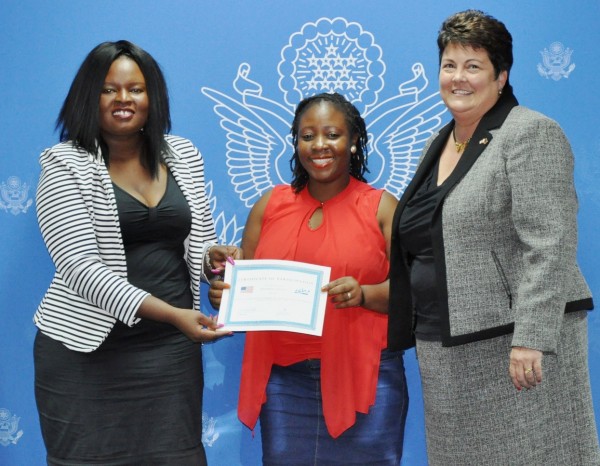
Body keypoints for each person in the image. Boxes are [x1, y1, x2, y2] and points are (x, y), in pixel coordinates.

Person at [388, 10, 599, 466]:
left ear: (501, 77)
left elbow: (550, 243)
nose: (458, 78)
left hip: (514, 350)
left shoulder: (530, 132)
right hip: (445, 349)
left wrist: (532, 338)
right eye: (449, 65)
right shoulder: (436, 142)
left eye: (473, 66)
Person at [33, 40, 240, 465]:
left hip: (170, 355)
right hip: (86, 354)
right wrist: (173, 314)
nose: (124, 99)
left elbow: (198, 240)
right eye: (109, 89)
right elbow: (80, 268)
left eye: (136, 89)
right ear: (88, 96)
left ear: (153, 96)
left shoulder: (183, 154)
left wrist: (212, 260)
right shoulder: (64, 163)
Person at [210, 92, 408, 465]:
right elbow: (242, 289)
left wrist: (363, 294)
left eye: (332, 134)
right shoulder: (269, 206)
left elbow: (413, 291)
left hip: (366, 378)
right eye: (307, 136)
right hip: (285, 385)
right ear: (295, 142)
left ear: (353, 142)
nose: (319, 145)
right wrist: (225, 295)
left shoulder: (382, 207)